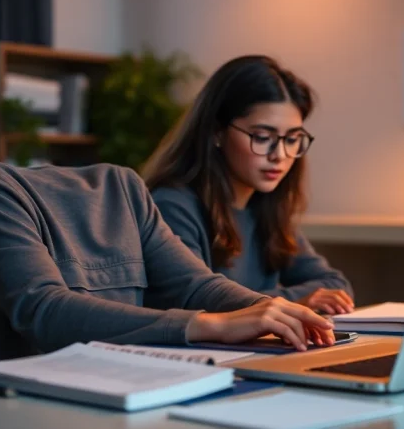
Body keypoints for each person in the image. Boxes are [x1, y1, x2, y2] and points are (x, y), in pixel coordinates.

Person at [0, 161, 336, 367]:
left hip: (116, 388)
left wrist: (266, 310)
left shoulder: (126, 188)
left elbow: (195, 285)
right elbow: (45, 312)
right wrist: (210, 324)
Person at [143, 55, 355, 316]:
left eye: (292, 139)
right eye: (263, 137)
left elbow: (335, 286)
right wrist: (293, 301)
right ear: (216, 132)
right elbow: (195, 302)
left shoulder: (266, 206)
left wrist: (278, 302)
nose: (279, 155)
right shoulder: (172, 205)